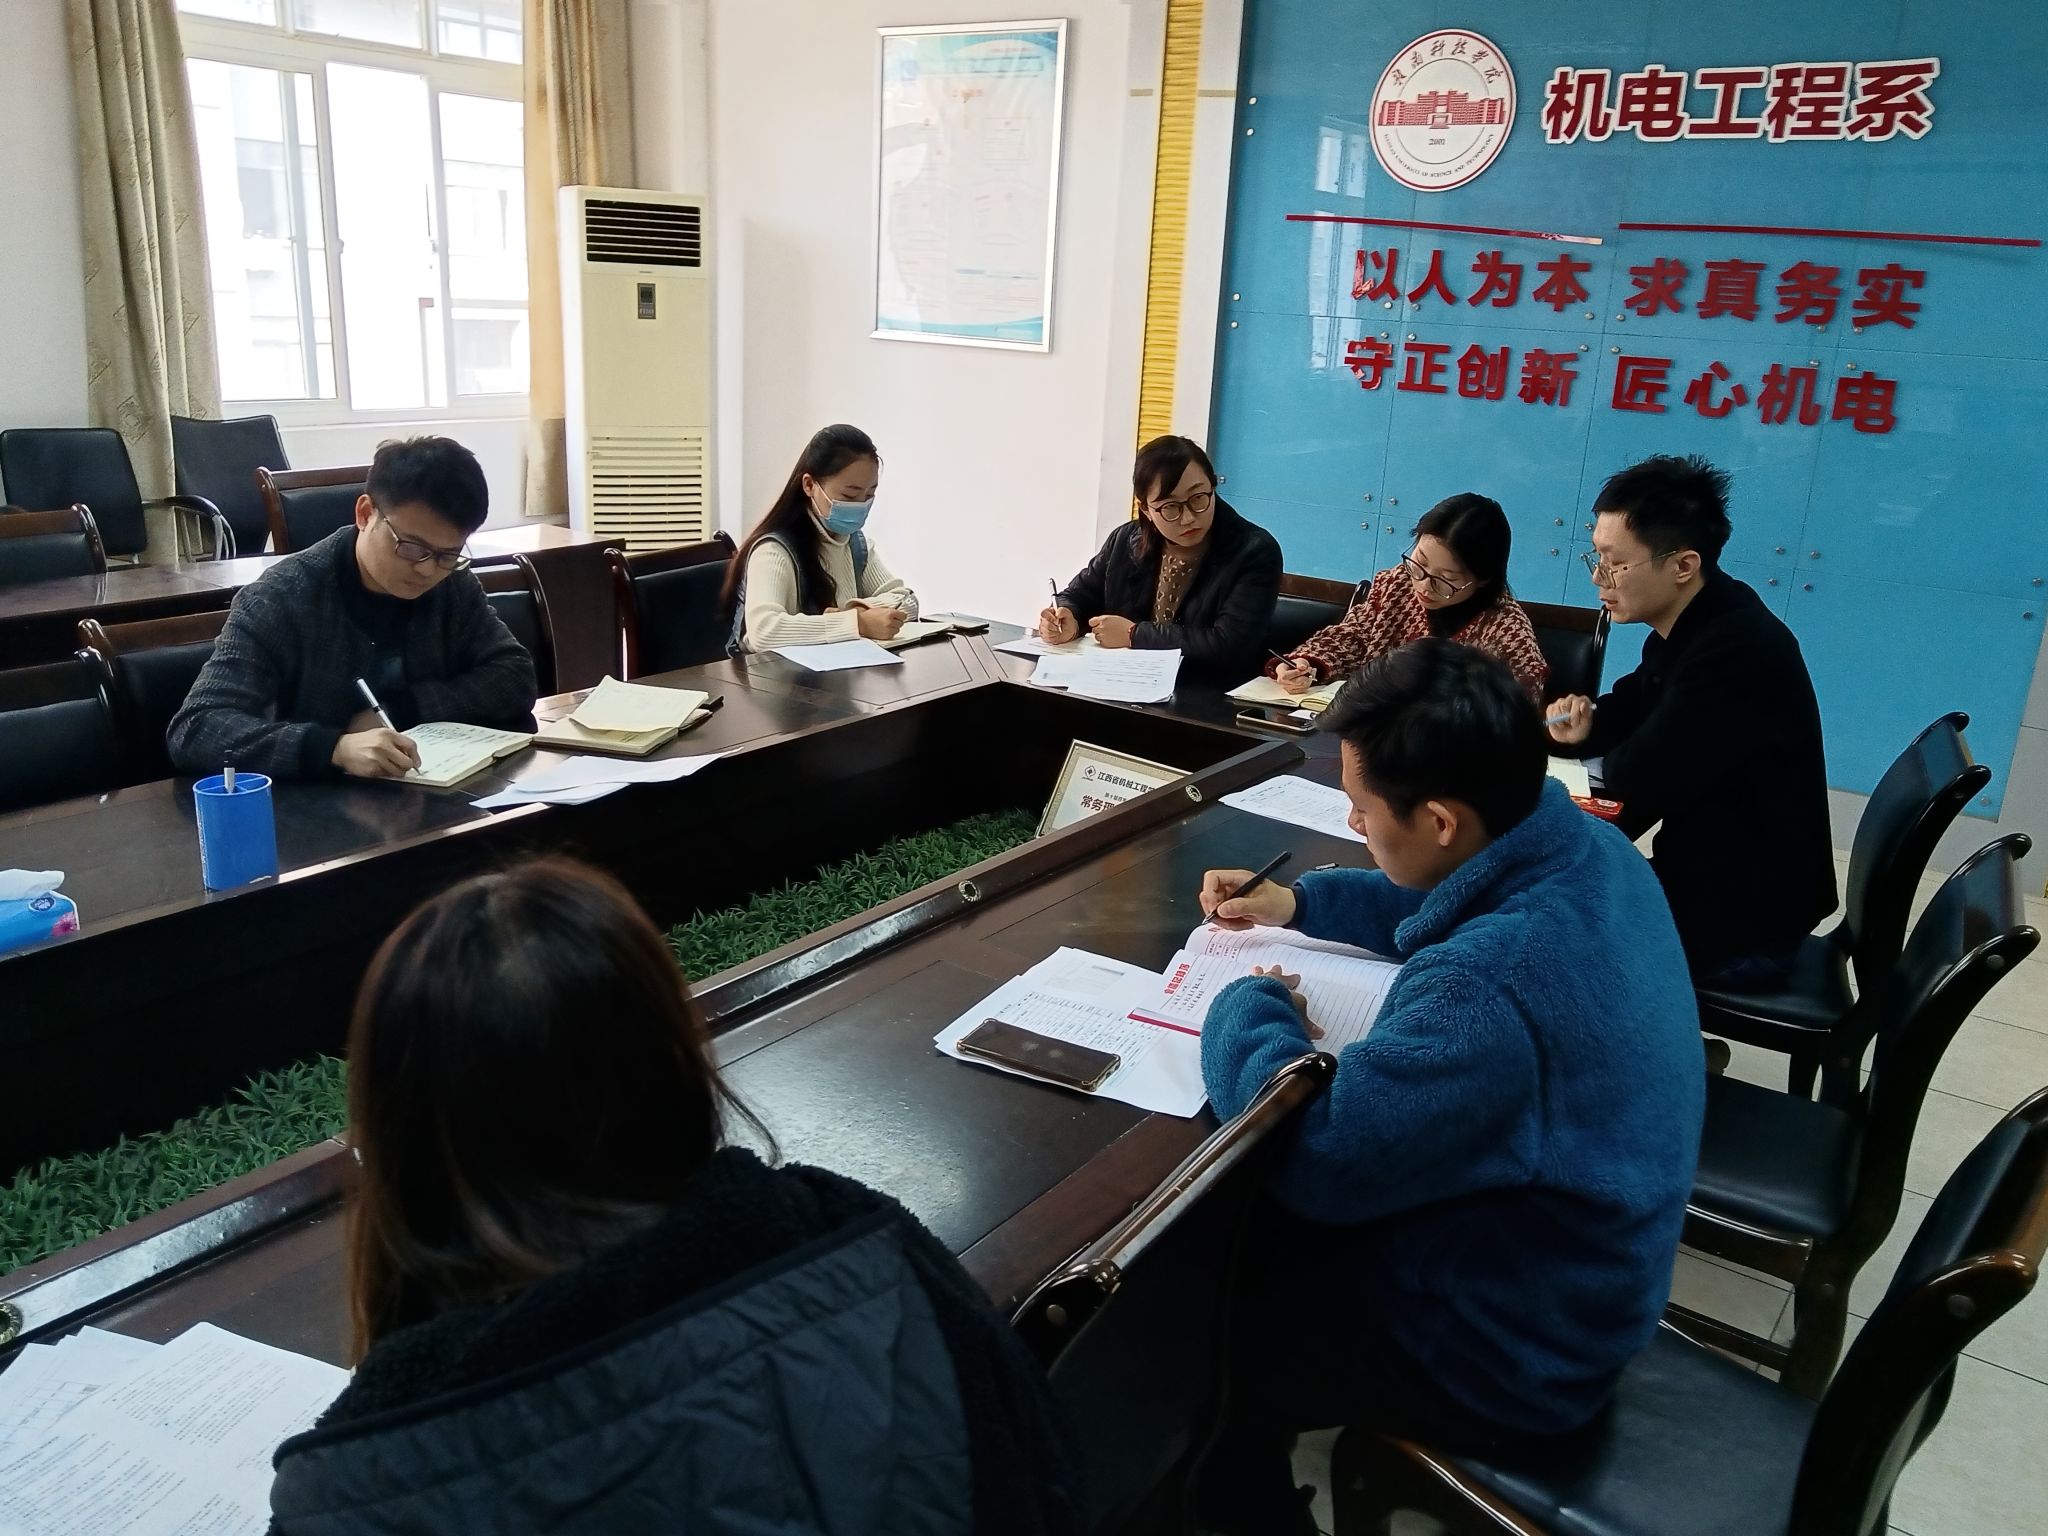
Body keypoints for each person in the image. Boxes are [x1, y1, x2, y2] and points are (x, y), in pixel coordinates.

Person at [268, 858, 1079, 1535]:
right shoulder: (866, 1247)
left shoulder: (356, 1483)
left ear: (399, 1141)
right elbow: (1036, 1475)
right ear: (674, 1067)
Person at [1192, 640, 1704, 1535]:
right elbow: (1448, 896)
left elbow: (1320, 1161)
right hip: (1598, 1264)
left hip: (1522, 1352)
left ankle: (1243, 1509)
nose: (1354, 824)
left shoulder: (1489, 981)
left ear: (1436, 820)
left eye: (1362, 812)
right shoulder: (1585, 844)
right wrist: (1300, 904)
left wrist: (1246, 1004)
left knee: (1203, 1319)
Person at [1547, 454, 1837, 985]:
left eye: (1615, 563)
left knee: (1535, 928)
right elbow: (1631, 707)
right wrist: (1583, 729)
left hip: (1744, 919)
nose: (1597, 577)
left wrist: (1594, 760)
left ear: (1683, 565)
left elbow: (1641, 779)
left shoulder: (1736, 652)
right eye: (1597, 557)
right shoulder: (1701, 617)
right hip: (1710, 877)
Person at [168, 436, 536, 782]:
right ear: (365, 513)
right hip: (321, 809)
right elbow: (196, 729)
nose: (427, 570)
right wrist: (333, 749)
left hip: (433, 793)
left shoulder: (451, 582)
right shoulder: (280, 597)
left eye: (448, 554)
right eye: (411, 547)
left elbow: (515, 676)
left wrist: (404, 709)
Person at [1039, 436, 1281, 685]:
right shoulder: (1125, 539)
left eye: (1198, 498)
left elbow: (1229, 645)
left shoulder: (1254, 551)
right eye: (1170, 507)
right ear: (1145, 508)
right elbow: (1079, 595)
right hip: (1123, 685)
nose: (1188, 518)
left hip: (1207, 694)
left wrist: (1134, 635)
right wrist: (1068, 618)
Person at [1267, 492, 1548, 702]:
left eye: (1446, 579)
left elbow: (1519, 714)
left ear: (1483, 579)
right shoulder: (1397, 584)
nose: (1424, 586)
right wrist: (1308, 664)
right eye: (1420, 562)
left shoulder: (1507, 631)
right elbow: (1353, 637)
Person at [723, 423, 919, 655]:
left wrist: (856, 610)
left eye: (869, 495)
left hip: (838, 671)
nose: (860, 505)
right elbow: (763, 632)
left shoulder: (855, 544)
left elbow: (907, 600)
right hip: (774, 675)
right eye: (849, 495)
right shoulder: (774, 550)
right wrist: (858, 623)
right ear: (809, 485)